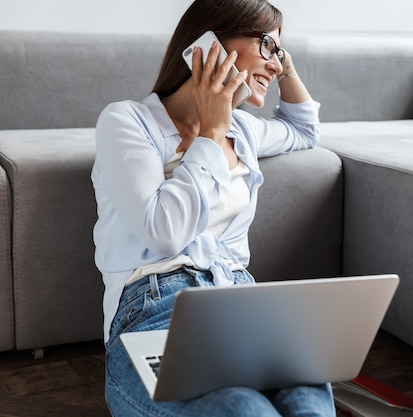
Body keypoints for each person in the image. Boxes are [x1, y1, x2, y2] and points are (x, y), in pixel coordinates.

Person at [91, 0, 335, 415]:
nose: (275, 66)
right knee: (242, 408)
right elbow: (164, 231)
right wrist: (212, 131)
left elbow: (304, 129)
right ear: (208, 43)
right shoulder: (127, 121)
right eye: (267, 46)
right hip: (155, 312)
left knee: (307, 398)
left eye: (279, 52)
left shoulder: (245, 130)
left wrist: (283, 60)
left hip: (242, 303)